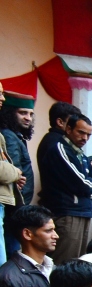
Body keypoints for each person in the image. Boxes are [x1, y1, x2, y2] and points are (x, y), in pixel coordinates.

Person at [36, 112, 92, 263]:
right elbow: (82, 183)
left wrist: (91, 187)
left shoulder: (80, 155)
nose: (85, 138)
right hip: (67, 213)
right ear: (68, 129)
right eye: (81, 132)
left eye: (88, 135)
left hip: (82, 212)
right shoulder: (60, 150)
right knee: (64, 264)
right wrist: (91, 187)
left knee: (75, 264)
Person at [0, 82, 35, 256]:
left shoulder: (16, 136)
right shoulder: (9, 136)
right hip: (13, 208)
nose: (28, 118)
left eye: (30, 114)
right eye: (22, 113)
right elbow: (15, 174)